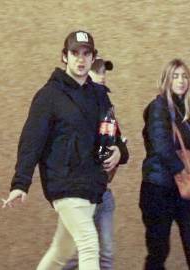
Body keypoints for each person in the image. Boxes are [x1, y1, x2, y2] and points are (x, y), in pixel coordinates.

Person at [2, 30, 128, 270]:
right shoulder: (48, 96)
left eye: (86, 53)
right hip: (64, 184)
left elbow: (114, 134)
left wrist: (119, 151)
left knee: (61, 252)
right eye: (74, 53)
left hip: (92, 185)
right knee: (90, 244)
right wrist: (20, 183)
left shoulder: (100, 95)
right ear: (64, 57)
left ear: (93, 58)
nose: (80, 59)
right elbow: (31, 142)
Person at [139, 58, 190, 270]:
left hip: (180, 188)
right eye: (176, 76)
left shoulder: (185, 110)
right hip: (159, 188)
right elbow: (161, 148)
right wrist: (183, 170)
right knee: (158, 251)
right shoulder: (158, 107)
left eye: (184, 76)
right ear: (166, 80)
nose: (181, 80)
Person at [63, 57, 128, 270]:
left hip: (102, 192)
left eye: (104, 72)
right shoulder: (74, 109)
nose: (102, 76)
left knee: (106, 254)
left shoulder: (107, 111)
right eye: (97, 71)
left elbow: (121, 147)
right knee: (74, 254)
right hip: (79, 193)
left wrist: (119, 150)